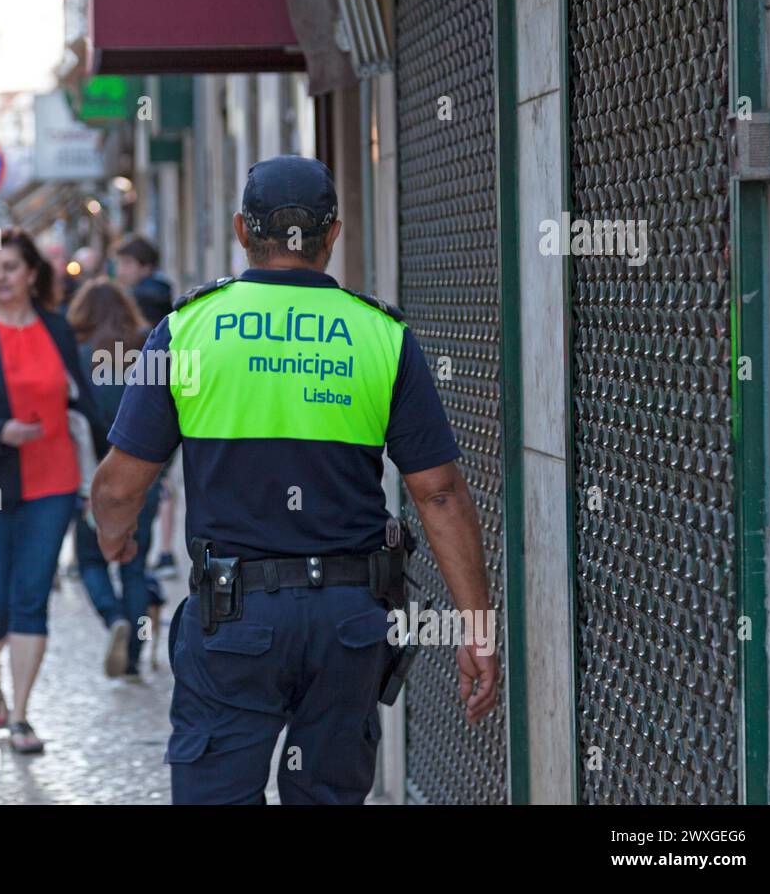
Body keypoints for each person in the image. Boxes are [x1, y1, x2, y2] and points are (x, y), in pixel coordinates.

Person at [91, 155, 500, 804]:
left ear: (239, 230)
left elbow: (118, 487)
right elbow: (439, 492)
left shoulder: (187, 330)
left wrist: (115, 542)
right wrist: (478, 626)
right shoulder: (382, 335)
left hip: (235, 618)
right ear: (331, 234)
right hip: (349, 622)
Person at [0, 228, 107, 754]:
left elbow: (82, 402)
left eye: (11, 267)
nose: (1, 277)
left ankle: (22, 716)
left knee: (31, 597)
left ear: (32, 273)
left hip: (52, 481)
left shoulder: (58, 329)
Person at [65, 279, 164, 679]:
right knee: (135, 564)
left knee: (91, 557)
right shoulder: (148, 350)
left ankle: (113, 619)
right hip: (146, 475)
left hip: (94, 477)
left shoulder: (77, 356)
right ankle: (134, 656)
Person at [112, 235, 180, 580]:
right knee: (164, 477)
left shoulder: (144, 298)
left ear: (144, 266)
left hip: (155, 388)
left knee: (158, 476)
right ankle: (164, 549)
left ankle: (163, 549)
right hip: (175, 384)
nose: (120, 271)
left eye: (125, 264)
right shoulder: (162, 292)